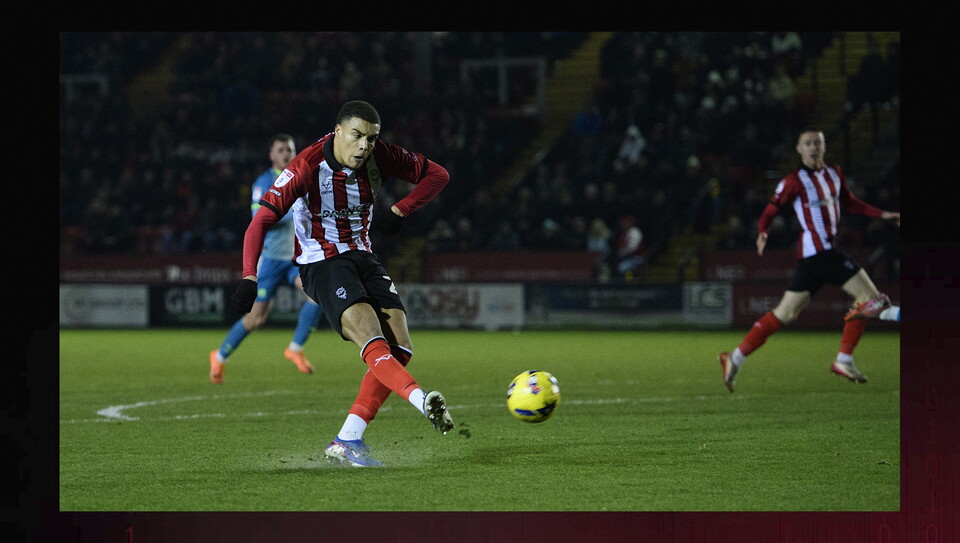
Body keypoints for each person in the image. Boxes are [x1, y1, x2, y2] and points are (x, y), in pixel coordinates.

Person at [231, 101, 455, 467]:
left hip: (363, 256)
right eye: (357, 136)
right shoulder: (305, 165)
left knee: (400, 346)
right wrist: (249, 276)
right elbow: (261, 221)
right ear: (337, 132)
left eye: (372, 138)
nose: (364, 145)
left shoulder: (381, 156)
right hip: (321, 263)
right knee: (370, 334)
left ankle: (347, 439)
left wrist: (401, 209)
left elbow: (438, 175)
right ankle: (422, 400)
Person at [719, 129, 900, 392]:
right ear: (799, 149)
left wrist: (882, 214)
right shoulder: (794, 181)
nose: (813, 147)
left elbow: (850, 203)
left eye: (817, 143)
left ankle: (734, 358)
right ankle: (844, 360)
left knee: (785, 313)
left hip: (812, 259)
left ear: (824, 147)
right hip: (819, 253)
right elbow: (770, 210)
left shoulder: (834, 173)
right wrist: (762, 231)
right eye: (808, 143)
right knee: (872, 301)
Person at [209, 134, 322, 384]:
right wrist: (291, 210)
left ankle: (295, 348)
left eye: (289, 149)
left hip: (295, 259)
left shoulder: (302, 178)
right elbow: (258, 219)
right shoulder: (263, 183)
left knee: (317, 295)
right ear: (271, 155)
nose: (286, 154)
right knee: (256, 319)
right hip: (270, 260)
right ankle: (219, 356)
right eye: (281, 150)